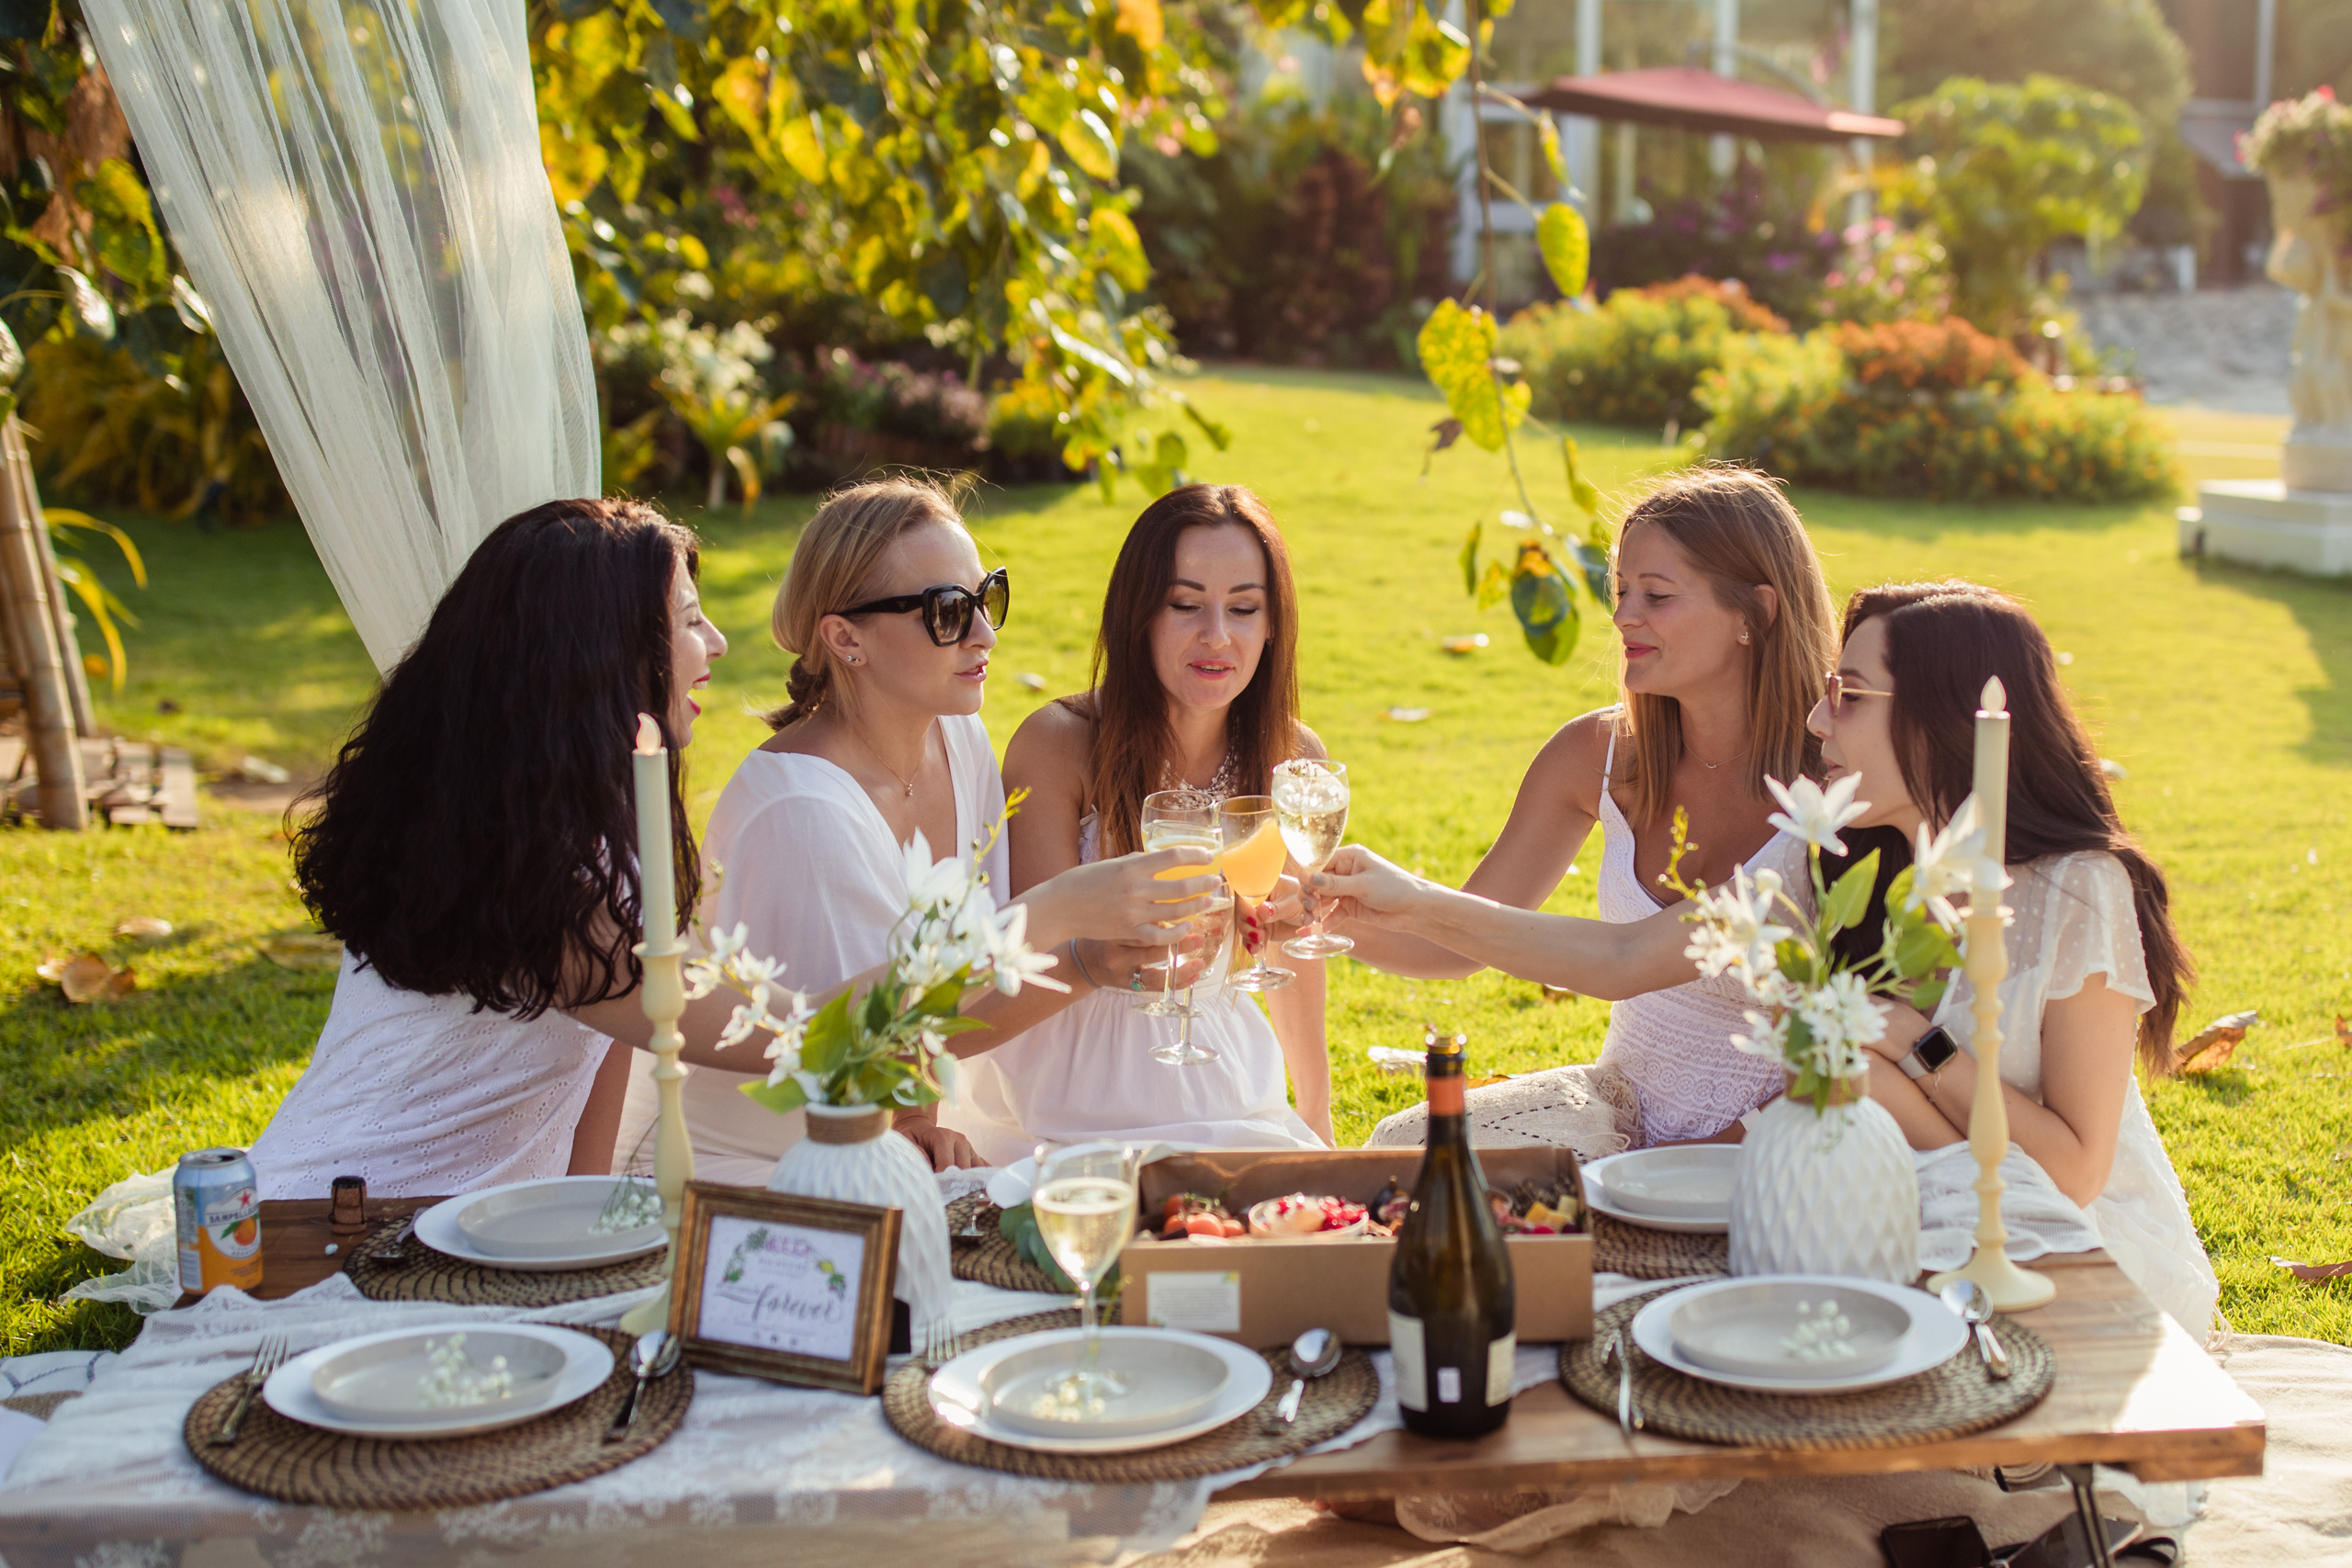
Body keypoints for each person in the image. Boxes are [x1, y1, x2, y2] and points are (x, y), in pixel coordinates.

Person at [254, 496, 1204, 1199]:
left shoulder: (560, 819)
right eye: (685, 620)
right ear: (594, 656)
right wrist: (1053, 916)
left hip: (498, 1210)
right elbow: (808, 1041)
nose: (714, 642)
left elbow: (606, 1059)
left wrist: (588, 1222)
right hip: (359, 1215)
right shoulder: (544, 886)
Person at [623, 478, 1224, 1183]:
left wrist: (1096, 960)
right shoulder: (799, 812)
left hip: (888, 1134)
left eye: (987, 597)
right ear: (846, 638)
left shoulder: (956, 735)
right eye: (948, 611)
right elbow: (852, 1047)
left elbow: (958, 994)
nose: (985, 634)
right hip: (773, 1171)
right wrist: (1064, 912)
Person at [1344, 467, 1838, 1154]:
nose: (1623, 616)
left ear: (1755, 613)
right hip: (1620, 1112)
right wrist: (1317, 915)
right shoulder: (1598, 755)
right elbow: (1450, 942)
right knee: (1402, 1148)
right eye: (1621, 590)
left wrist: (1702, 1155)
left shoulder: (1841, 784)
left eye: (1656, 595)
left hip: (1778, 1136)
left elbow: (1868, 1042)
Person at [1825, 581, 2217, 1337]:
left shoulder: (2078, 891)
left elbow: (2076, 1171)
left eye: (1850, 694)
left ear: (1941, 721)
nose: (1818, 720)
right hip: (1908, 1224)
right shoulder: (1859, 874)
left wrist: (1914, 1049)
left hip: (2075, 1254)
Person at [937, 483, 1330, 1165]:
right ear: (1138, 615)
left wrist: (1316, 1111)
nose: (1218, 635)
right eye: (1185, 605)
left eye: (1244, 608)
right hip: (1065, 1085)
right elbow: (1031, 955)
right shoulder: (1059, 743)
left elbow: (1288, 953)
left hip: (1219, 1068)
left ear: (1273, 625)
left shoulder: (1291, 755)